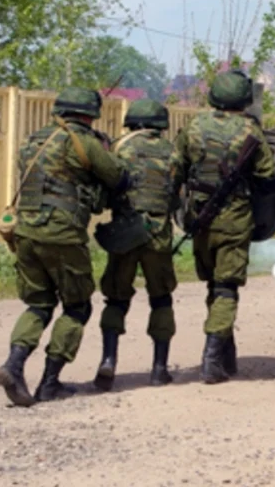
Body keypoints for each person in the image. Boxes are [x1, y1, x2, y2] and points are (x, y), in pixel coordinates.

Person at [0, 86, 132, 406]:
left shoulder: (34, 140)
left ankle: (14, 365)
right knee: (77, 306)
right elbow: (117, 177)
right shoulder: (82, 141)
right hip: (62, 234)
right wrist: (106, 150)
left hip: (25, 232)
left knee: (39, 305)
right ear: (89, 114)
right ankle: (50, 382)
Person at [171, 70, 275, 384]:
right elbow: (268, 181)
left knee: (212, 286)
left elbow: (175, 171)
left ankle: (226, 354)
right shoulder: (252, 133)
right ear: (244, 98)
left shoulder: (194, 127)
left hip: (199, 219)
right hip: (234, 220)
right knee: (225, 288)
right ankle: (211, 360)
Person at [94, 99, 180, 390]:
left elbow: (106, 187)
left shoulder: (120, 147)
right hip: (158, 234)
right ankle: (159, 369)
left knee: (116, 298)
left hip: (126, 232)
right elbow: (177, 194)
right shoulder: (172, 152)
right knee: (161, 298)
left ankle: (108, 361)